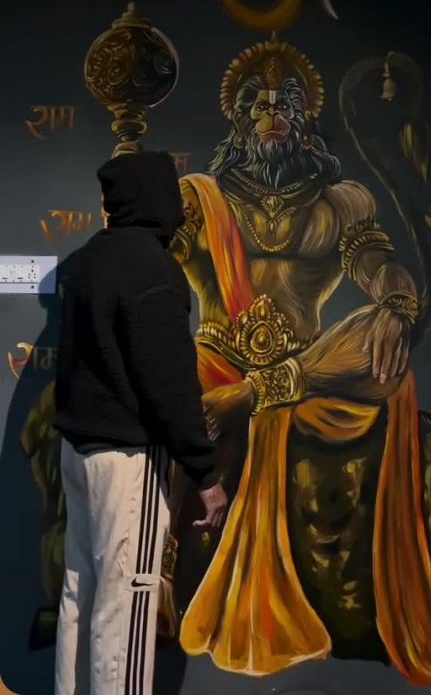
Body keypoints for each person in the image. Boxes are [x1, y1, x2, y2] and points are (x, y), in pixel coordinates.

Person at [53, 148, 226, 695]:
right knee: (125, 601)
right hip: (127, 460)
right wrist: (206, 475)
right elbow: (170, 383)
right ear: (156, 199)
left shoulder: (85, 261)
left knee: (80, 594)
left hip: (77, 455)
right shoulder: (153, 269)